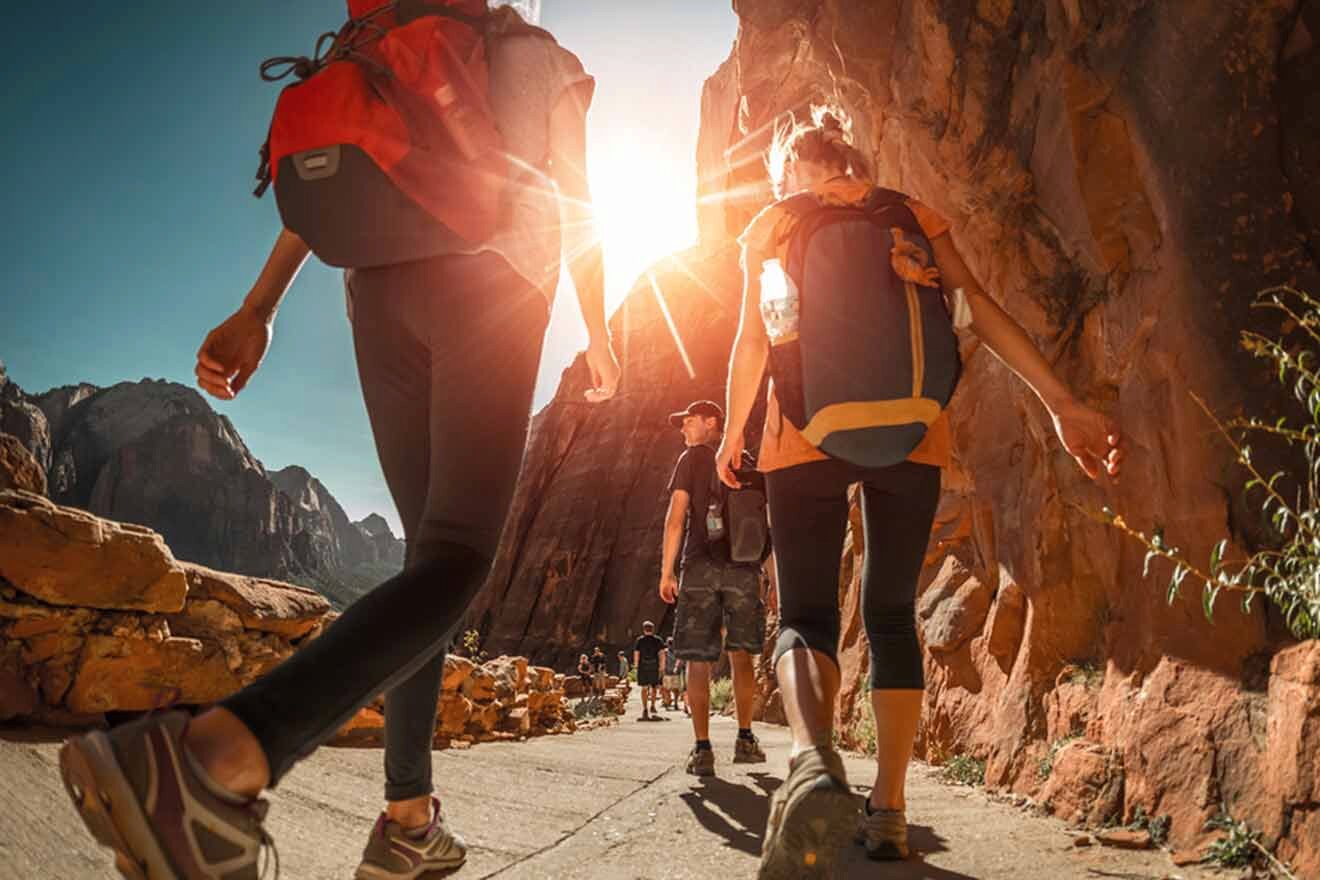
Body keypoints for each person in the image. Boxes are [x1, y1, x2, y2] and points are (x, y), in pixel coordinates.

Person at [56, 5, 621, 880]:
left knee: (424, 567)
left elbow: (341, 175)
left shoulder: (387, 33)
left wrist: (260, 307)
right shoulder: (539, 52)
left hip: (377, 298)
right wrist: (603, 337)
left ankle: (407, 820)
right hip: (492, 290)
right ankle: (212, 760)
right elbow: (575, 197)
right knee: (457, 558)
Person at [717, 107, 1124, 878]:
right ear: (853, 157)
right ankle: (892, 810)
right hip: (912, 432)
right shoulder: (908, 214)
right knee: (893, 615)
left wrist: (735, 435)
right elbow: (979, 312)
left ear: (789, 170)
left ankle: (811, 761)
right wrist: (1060, 402)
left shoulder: (772, 223)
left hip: (800, 435)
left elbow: (752, 338)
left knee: (804, 614)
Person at [659, 400, 768, 777]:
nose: (684, 430)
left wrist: (667, 572)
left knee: (698, 659)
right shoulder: (749, 459)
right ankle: (745, 739)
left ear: (711, 422)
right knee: (742, 657)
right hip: (744, 569)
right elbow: (765, 523)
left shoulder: (691, 459)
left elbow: (676, 519)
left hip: (700, 567)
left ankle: (702, 749)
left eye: (689, 422)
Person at [633, 621, 666, 720]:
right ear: (653, 629)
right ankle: (652, 705)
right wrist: (662, 667)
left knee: (644, 688)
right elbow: (662, 654)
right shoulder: (658, 640)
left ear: (644, 629)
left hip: (643, 667)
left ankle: (644, 708)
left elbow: (636, 654)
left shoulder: (639, 640)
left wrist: (636, 666)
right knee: (654, 687)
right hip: (654, 667)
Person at [661, 636, 684, 709]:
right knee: (675, 689)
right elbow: (680, 661)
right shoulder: (677, 652)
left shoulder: (665, 651)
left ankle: (668, 703)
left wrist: (662, 671)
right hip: (675, 673)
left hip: (668, 672)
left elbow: (662, 661)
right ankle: (675, 703)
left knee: (667, 689)